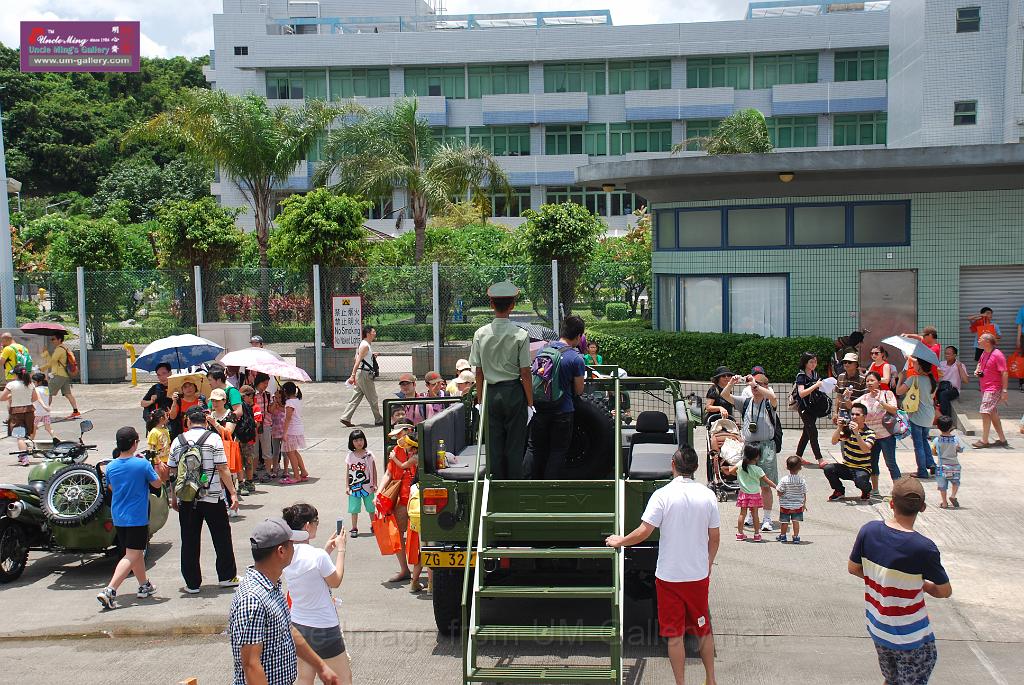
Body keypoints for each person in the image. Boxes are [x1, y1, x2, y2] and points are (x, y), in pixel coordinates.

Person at [605, 447, 720, 685]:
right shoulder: (708, 495)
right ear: (696, 467)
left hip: (669, 577)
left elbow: (644, 531)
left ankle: (680, 683)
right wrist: (707, 563)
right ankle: (710, 679)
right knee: (703, 629)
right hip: (697, 575)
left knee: (675, 635)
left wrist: (620, 541)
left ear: (672, 465)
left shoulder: (662, 495)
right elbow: (715, 537)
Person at [848, 477, 951, 685]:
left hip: (879, 628)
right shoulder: (924, 548)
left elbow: (854, 568)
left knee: (891, 678)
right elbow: (944, 591)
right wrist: (924, 586)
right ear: (922, 507)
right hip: (911, 637)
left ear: (891, 504)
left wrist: (883, 581)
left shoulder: (869, 530)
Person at [229, 516, 341, 685]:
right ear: (281, 551)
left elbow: (288, 630)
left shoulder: (272, 587)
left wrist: (320, 666)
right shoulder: (252, 600)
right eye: (292, 544)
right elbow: (251, 666)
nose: (295, 548)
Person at [168, 406, 240, 593]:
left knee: (189, 539)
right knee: (221, 536)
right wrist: (232, 493)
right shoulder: (213, 438)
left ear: (188, 422)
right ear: (206, 422)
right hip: (212, 496)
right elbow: (222, 467)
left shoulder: (178, 441)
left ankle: (192, 583)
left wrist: (174, 497)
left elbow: (173, 472)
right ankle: (226, 576)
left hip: (187, 498)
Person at [96, 426, 168, 609]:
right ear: (135, 443)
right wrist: (159, 469)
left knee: (135, 551)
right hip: (136, 516)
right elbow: (157, 484)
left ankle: (144, 584)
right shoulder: (141, 464)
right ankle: (110, 590)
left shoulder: (110, 467)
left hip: (119, 516)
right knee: (132, 554)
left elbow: (111, 488)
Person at [281, 504, 352, 685]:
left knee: (305, 678)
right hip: (324, 627)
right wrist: (341, 550)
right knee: (343, 679)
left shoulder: (286, 553)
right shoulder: (317, 556)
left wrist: (326, 551)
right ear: (307, 526)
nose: (317, 525)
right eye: (316, 522)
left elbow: (310, 574)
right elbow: (335, 581)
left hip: (298, 624)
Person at [469, 280, 533, 479]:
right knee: (515, 444)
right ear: (512, 305)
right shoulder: (521, 334)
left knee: (493, 445)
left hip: (490, 392)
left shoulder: (480, 334)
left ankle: (495, 484)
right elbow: (525, 372)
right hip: (514, 392)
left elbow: (478, 372)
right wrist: (530, 403)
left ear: (491, 304)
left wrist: (480, 401)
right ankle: (514, 486)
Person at [524, 315, 586, 480]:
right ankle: (550, 485)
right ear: (579, 336)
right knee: (558, 451)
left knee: (534, 448)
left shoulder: (542, 351)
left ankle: (526, 482)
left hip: (539, 408)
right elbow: (579, 390)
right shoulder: (576, 358)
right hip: (563, 411)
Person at [738, 373, 778, 533]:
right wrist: (732, 382)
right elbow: (725, 395)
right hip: (749, 446)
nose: (755, 387)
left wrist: (755, 384)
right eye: (753, 385)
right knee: (749, 483)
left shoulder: (769, 402)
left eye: (759, 384)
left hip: (766, 446)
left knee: (766, 485)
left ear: (765, 386)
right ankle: (750, 515)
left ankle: (767, 519)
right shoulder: (746, 402)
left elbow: (773, 396)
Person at [379, 434, 418, 582]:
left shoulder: (418, 452)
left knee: (422, 538)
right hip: (402, 499)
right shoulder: (396, 450)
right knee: (398, 533)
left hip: (416, 499)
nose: (399, 437)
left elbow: (402, 466)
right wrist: (379, 493)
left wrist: (394, 458)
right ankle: (405, 570)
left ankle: (422, 576)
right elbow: (389, 473)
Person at [726, 444, 777, 542]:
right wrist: (776, 487)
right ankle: (756, 534)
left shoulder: (741, 464)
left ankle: (740, 534)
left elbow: (730, 471)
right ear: (757, 457)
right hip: (754, 495)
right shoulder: (758, 470)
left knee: (742, 514)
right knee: (755, 515)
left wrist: (739, 474)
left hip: (743, 494)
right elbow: (767, 481)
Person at [860, 370, 900, 493]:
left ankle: (898, 490)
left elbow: (894, 410)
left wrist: (880, 401)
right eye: (867, 381)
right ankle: (875, 489)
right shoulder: (864, 397)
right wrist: (846, 397)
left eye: (872, 380)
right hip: (871, 437)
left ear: (879, 382)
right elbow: (852, 405)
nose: (869, 383)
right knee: (872, 463)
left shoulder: (887, 394)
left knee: (891, 463)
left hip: (886, 435)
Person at [897, 358, 938, 478]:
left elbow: (899, 391)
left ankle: (922, 471)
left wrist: (900, 378)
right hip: (929, 415)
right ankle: (931, 464)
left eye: (915, 363)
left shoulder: (914, 379)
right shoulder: (932, 380)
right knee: (924, 440)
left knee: (918, 444)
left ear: (920, 366)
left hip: (917, 416)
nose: (913, 365)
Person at [826, 402, 875, 501]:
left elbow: (866, 449)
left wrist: (857, 433)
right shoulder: (847, 430)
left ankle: (866, 490)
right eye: (852, 414)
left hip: (862, 468)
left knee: (860, 481)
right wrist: (839, 427)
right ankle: (839, 491)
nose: (854, 417)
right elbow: (834, 441)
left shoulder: (870, 433)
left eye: (857, 414)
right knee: (828, 468)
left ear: (864, 417)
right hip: (847, 467)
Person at [340, 325, 383, 428]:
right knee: (373, 397)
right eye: (373, 332)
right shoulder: (365, 345)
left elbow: (358, 358)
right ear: (368, 334)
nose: (375, 333)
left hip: (361, 374)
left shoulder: (363, 344)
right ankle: (379, 419)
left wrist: (372, 355)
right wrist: (352, 375)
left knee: (356, 397)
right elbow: (357, 360)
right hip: (364, 374)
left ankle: (345, 417)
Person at [972, 332, 1009, 449]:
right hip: (985, 387)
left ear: (987, 342)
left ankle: (984, 440)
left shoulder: (998, 355)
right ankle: (1002, 439)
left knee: (984, 411)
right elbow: (980, 364)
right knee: (992, 413)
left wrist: (1004, 390)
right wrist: (977, 370)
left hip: (993, 388)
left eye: (980, 339)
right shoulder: (984, 352)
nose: (978, 340)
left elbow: (1004, 373)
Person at [793, 352, 826, 468]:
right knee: (813, 432)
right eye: (811, 362)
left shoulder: (815, 374)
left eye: (815, 362)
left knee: (807, 433)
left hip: (813, 407)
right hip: (804, 408)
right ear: (805, 363)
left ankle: (798, 456)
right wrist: (815, 385)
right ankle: (820, 459)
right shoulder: (801, 376)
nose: (814, 364)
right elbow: (801, 393)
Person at [1, 366, 38, 465]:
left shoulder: (11, 385)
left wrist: (11, 396)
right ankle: (23, 454)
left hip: (16, 412)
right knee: (26, 435)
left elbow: (2, 398)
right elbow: (35, 398)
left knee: (20, 436)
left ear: (16, 375)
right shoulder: (30, 384)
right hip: (29, 411)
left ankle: (24, 456)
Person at [345, 429, 377, 537]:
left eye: (361, 440)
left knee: (371, 508)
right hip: (354, 488)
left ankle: (374, 525)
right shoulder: (350, 456)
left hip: (368, 487)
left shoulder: (369, 454)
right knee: (354, 509)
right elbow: (348, 472)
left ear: (364, 440)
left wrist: (375, 484)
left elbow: (374, 470)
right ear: (351, 442)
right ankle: (354, 527)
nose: (359, 442)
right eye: (355, 441)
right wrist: (347, 486)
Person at [42, 332, 80, 417]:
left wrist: (45, 354)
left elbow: (52, 362)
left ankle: (44, 412)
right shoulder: (65, 348)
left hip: (58, 375)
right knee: (67, 394)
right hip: (65, 375)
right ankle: (75, 411)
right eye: (51, 339)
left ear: (59, 339)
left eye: (53, 339)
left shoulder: (59, 349)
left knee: (48, 393)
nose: (52, 341)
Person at [932, 415, 965, 510]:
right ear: (951, 427)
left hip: (941, 467)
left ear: (938, 427)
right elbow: (961, 449)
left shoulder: (937, 440)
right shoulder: (955, 439)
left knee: (942, 486)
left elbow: (933, 452)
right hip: (954, 465)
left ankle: (944, 502)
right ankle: (953, 495)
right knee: (955, 482)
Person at [281, 381, 309, 484]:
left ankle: (297, 476)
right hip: (298, 429)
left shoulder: (289, 403)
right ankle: (303, 471)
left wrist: (284, 433)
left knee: (290, 453)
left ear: (285, 391)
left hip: (292, 430)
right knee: (294, 452)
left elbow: (288, 418)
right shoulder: (297, 400)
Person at [775, 456, 807, 544]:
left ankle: (783, 536)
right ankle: (796, 537)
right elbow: (804, 493)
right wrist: (804, 504)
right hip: (797, 506)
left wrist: (780, 494)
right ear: (800, 468)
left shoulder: (784, 480)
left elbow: (779, 491)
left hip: (785, 505)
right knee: (795, 522)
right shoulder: (802, 481)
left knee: (784, 522)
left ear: (787, 467)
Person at [237, 385, 261, 494]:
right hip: (239, 439)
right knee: (239, 462)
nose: (244, 398)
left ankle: (249, 482)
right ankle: (242, 483)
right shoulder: (238, 407)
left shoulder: (255, 407)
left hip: (248, 440)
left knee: (248, 462)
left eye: (246, 396)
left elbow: (257, 423)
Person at [833, 352, 866, 424]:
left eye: (849, 362)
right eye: (844, 362)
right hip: (842, 412)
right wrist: (835, 413)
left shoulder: (862, 378)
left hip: (856, 414)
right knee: (842, 431)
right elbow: (838, 396)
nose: (846, 364)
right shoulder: (840, 376)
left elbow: (864, 398)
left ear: (856, 364)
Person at [937, 346, 969, 419]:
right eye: (945, 353)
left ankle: (946, 419)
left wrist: (959, 367)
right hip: (942, 388)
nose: (946, 355)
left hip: (953, 390)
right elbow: (937, 379)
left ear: (954, 355)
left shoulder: (960, 365)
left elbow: (966, 381)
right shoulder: (941, 364)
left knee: (943, 395)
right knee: (940, 394)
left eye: (948, 354)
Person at [30, 371, 56, 442]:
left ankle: (31, 441)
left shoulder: (36, 389)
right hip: (46, 412)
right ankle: (55, 438)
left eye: (34, 382)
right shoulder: (47, 389)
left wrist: (44, 406)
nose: (33, 383)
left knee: (33, 428)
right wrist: (47, 406)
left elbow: (37, 399)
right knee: (48, 428)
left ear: (39, 382)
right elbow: (50, 398)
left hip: (37, 412)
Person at [269, 388, 287, 480]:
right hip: (275, 432)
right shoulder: (273, 405)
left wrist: (279, 406)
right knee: (275, 452)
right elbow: (271, 411)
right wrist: (275, 404)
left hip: (284, 432)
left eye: (279, 397)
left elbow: (285, 411)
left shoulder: (286, 405)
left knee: (285, 452)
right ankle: (275, 469)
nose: (278, 399)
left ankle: (286, 470)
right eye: (276, 397)